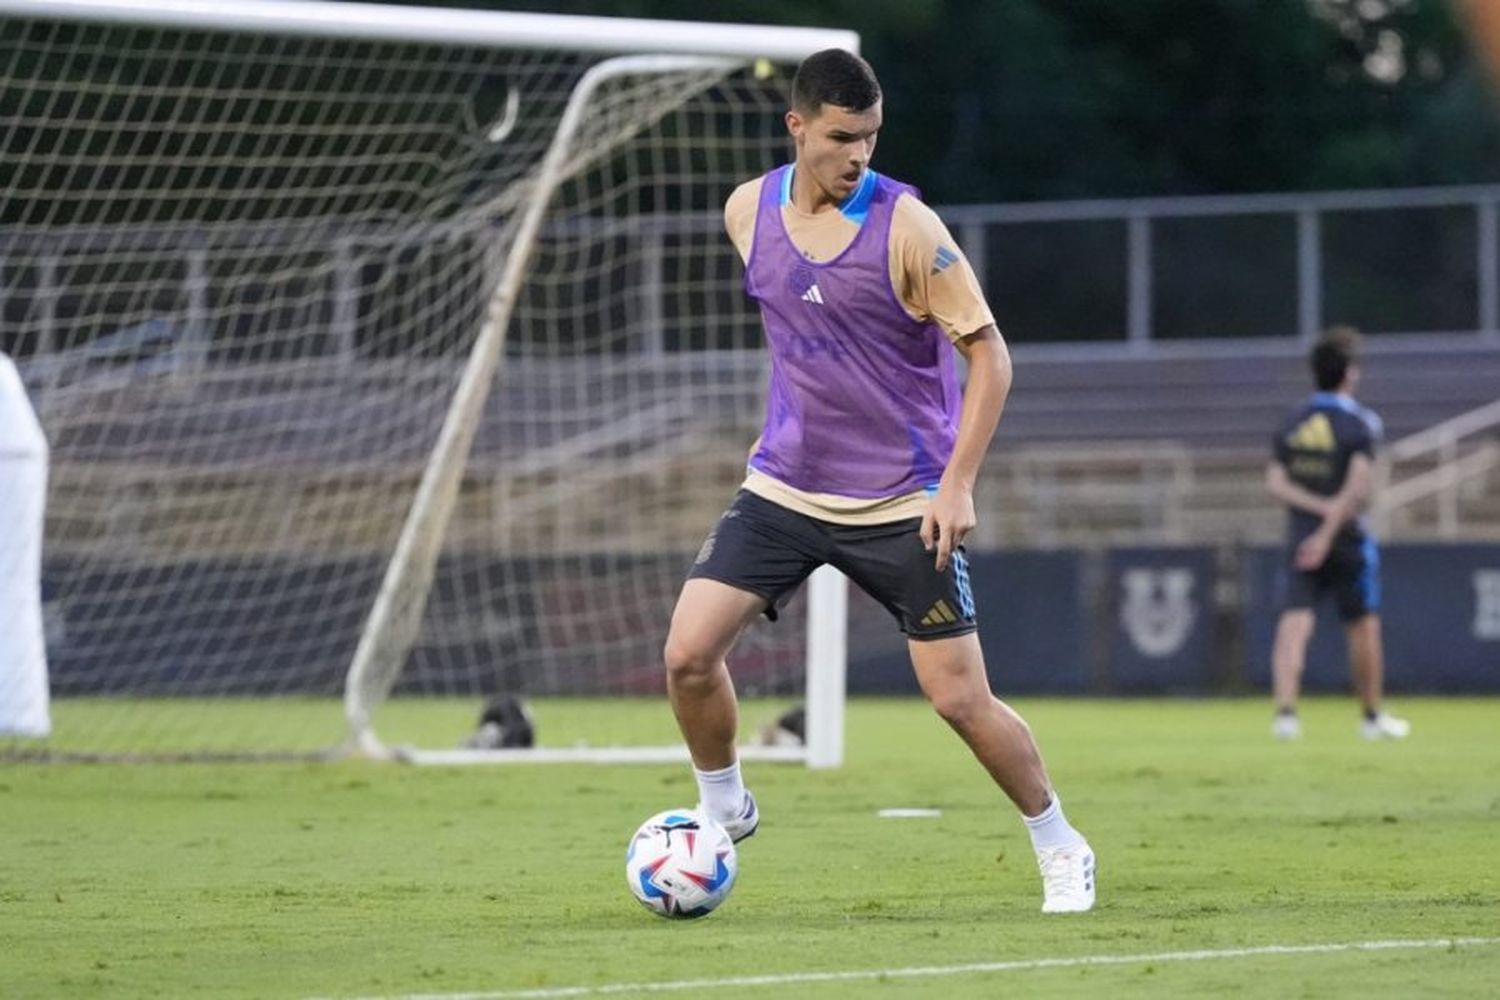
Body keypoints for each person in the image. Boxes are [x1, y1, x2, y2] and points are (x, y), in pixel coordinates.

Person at [662, 49, 1094, 914]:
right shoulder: (748, 209)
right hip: (784, 486)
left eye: (869, 136)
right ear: (797, 127)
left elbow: (991, 357)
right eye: (839, 136)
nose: (858, 154)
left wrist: (957, 484)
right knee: (686, 655)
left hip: (903, 499)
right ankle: (725, 810)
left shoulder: (909, 227)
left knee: (958, 700)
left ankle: (1061, 843)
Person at [1264, 326, 1409, 742]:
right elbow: (1359, 487)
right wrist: (1329, 525)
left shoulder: (1294, 420)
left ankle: (1286, 716)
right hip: (1346, 538)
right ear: (1349, 372)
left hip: (1300, 534)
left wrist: (1313, 512)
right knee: (1363, 625)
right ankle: (1371, 718)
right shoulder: (1361, 422)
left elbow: (1275, 482)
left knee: (1294, 625)